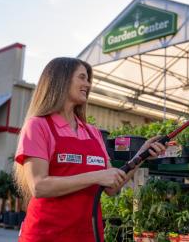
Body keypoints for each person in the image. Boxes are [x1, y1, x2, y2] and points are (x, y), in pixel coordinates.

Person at [13, 57, 166, 242]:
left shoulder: (93, 133)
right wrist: (96, 176)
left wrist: (141, 154)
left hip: (88, 234)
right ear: (61, 80)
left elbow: (111, 187)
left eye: (88, 79)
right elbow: (39, 186)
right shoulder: (38, 126)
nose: (88, 84)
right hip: (46, 235)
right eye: (82, 78)